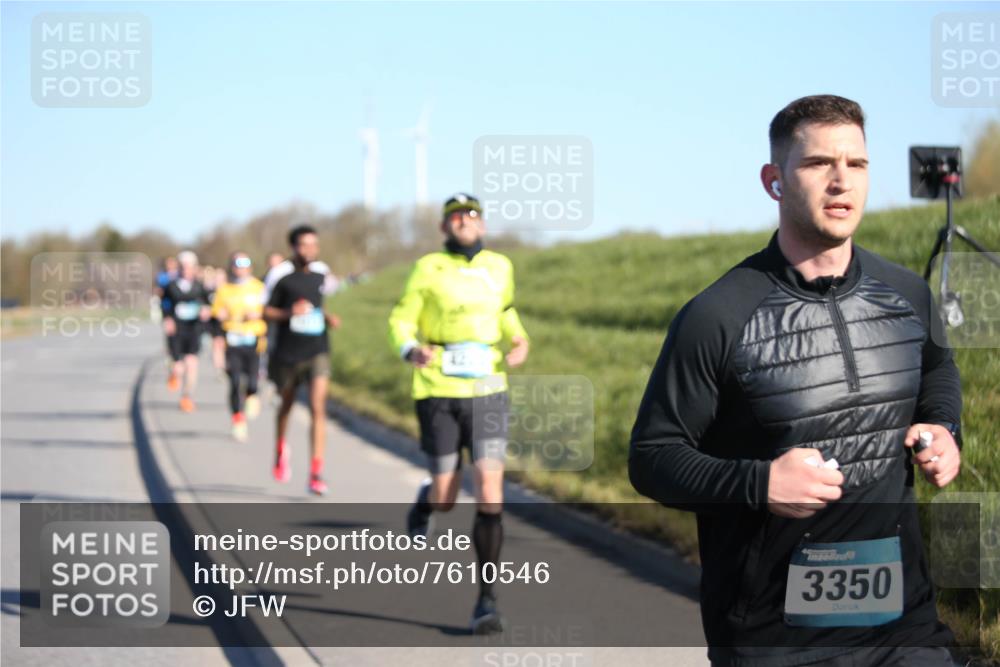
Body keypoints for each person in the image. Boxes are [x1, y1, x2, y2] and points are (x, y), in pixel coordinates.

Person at [629, 95, 963, 667]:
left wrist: (942, 424)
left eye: (856, 164)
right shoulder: (718, 316)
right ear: (774, 180)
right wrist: (759, 484)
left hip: (904, 628)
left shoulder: (908, 293)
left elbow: (937, 370)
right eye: (818, 164)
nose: (841, 182)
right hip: (775, 642)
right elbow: (653, 458)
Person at [389, 193, 530, 635]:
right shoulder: (428, 267)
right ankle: (427, 500)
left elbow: (506, 310)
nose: (463, 222)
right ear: (444, 227)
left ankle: (486, 600)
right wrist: (410, 348)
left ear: (482, 224)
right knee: (448, 495)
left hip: (488, 387)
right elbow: (401, 318)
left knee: (490, 489)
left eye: (471, 215)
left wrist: (519, 338)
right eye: (455, 217)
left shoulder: (500, 266)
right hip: (438, 388)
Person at [264, 225, 341, 496]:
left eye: (314, 245)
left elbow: (317, 305)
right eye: (304, 245)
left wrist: (327, 317)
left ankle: (315, 472)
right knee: (286, 405)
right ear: (293, 247)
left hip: (317, 348)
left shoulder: (321, 273)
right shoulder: (281, 275)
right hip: (288, 352)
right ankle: (280, 448)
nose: (310, 250)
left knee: (318, 407)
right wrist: (289, 312)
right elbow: (266, 311)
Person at [212, 252, 267, 442]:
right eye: (237, 264)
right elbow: (215, 313)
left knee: (252, 381)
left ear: (250, 267)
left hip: (253, 340)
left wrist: (258, 314)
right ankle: (238, 420)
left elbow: (269, 310)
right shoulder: (224, 289)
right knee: (235, 381)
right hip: (232, 340)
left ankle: (253, 395)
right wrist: (220, 314)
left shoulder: (259, 288)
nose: (241, 268)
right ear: (232, 267)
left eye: (245, 264)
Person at [162, 250, 212, 412]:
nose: (186, 270)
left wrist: (206, 311)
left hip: (194, 328)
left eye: (189, 267)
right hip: (177, 328)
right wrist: (167, 319)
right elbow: (164, 305)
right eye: (183, 267)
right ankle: (174, 374)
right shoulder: (171, 286)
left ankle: (187, 396)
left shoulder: (200, 286)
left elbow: (208, 304)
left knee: (191, 364)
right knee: (178, 366)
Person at [156, 256, 179, 387]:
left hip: (180, 313)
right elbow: (159, 292)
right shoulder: (162, 277)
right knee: (170, 337)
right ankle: (171, 361)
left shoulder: (180, 276)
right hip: (167, 311)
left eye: (173, 263)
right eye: (168, 263)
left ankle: (176, 364)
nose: (171, 265)